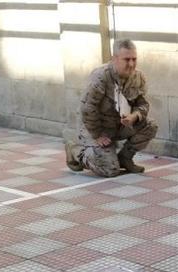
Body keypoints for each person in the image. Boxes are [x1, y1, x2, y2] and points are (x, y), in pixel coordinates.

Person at [65, 39, 158, 177]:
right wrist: (97, 135)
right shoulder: (101, 76)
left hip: (119, 125)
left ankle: (125, 159)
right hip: (94, 128)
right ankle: (76, 152)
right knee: (110, 170)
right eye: (126, 59)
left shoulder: (138, 77)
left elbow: (143, 104)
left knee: (150, 125)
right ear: (114, 59)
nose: (131, 64)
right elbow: (87, 108)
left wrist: (134, 116)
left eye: (134, 59)